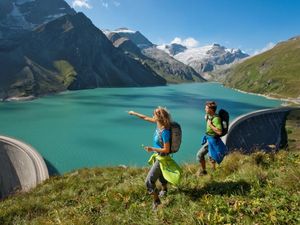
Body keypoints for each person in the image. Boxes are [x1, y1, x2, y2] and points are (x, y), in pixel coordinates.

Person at [128, 106, 181, 210]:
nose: (152, 116)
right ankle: (164, 190)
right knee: (161, 174)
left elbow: (166, 149)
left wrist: (151, 148)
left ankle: (157, 202)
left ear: (159, 117)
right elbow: (145, 118)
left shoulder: (165, 131)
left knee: (149, 181)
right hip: (158, 156)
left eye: (154, 114)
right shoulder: (158, 124)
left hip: (162, 157)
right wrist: (134, 113)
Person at [197, 101, 227, 175]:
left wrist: (210, 125)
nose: (205, 109)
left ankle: (204, 172)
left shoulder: (216, 119)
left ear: (211, 109)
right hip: (209, 139)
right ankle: (213, 172)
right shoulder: (209, 116)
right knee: (211, 156)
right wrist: (207, 119)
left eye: (206, 108)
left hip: (212, 140)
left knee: (199, 155)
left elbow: (219, 132)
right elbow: (208, 119)